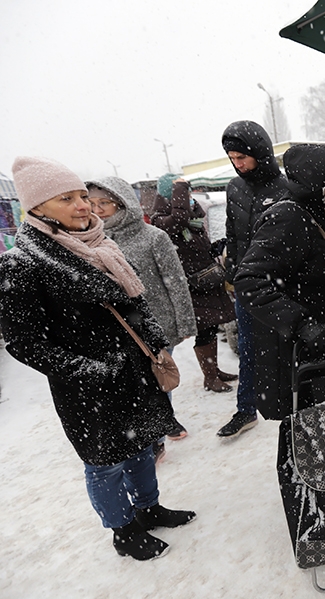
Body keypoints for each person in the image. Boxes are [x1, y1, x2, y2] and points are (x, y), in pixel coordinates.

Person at [0, 156, 195, 561]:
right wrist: (90, 370)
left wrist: (155, 340)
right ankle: (123, 531)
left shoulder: (102, 245)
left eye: (82, 196)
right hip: (88, 387)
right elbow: (23, 342)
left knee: (142, 444)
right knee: (105, 462)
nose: (82, 205)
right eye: (65, 199)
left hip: (134, 371)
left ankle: (148, 507)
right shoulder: (22, 264)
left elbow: (132, 304)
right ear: (36, 209)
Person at [234, 143, 325, 421]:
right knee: (307, 438)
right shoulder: (288, 218)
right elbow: (249, 281)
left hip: (324, 346)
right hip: (299, 353)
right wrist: (302, 324)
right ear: (322, 188)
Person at [86, 177, 198, 451]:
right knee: (136, 383)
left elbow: (175, 280)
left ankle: (158, 433)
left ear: (122, 203)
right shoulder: (90, 241)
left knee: (158, 376)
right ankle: (158, 427)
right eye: (92, 203)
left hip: (156, 323)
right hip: (118, 328)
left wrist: (185, 322)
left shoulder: (153, 237)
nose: (97, 209)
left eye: (104, 203)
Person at [219, 121, 293, 438]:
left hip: (280, 287)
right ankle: (245, 409)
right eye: (232, 159)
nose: (238, 165)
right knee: (248, 348)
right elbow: (233, 235)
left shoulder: (286, 188)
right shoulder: (234, 188)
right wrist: (232, 272)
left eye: (242, 158)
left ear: (260, 153)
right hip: (246, 286)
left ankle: (294, 406)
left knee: (285, 348)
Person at [149, 174, 237, 395]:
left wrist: (214, 247)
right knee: (205, 328)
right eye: (182, 194)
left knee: (210, 327)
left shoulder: (192, 218)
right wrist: (180, 187)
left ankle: (214, 370)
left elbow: (193, 238)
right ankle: (210, 377)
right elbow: (177, 221)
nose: (187, 198)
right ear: (171, 195)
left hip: (207, 279)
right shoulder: (160, 218)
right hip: (192, 284)